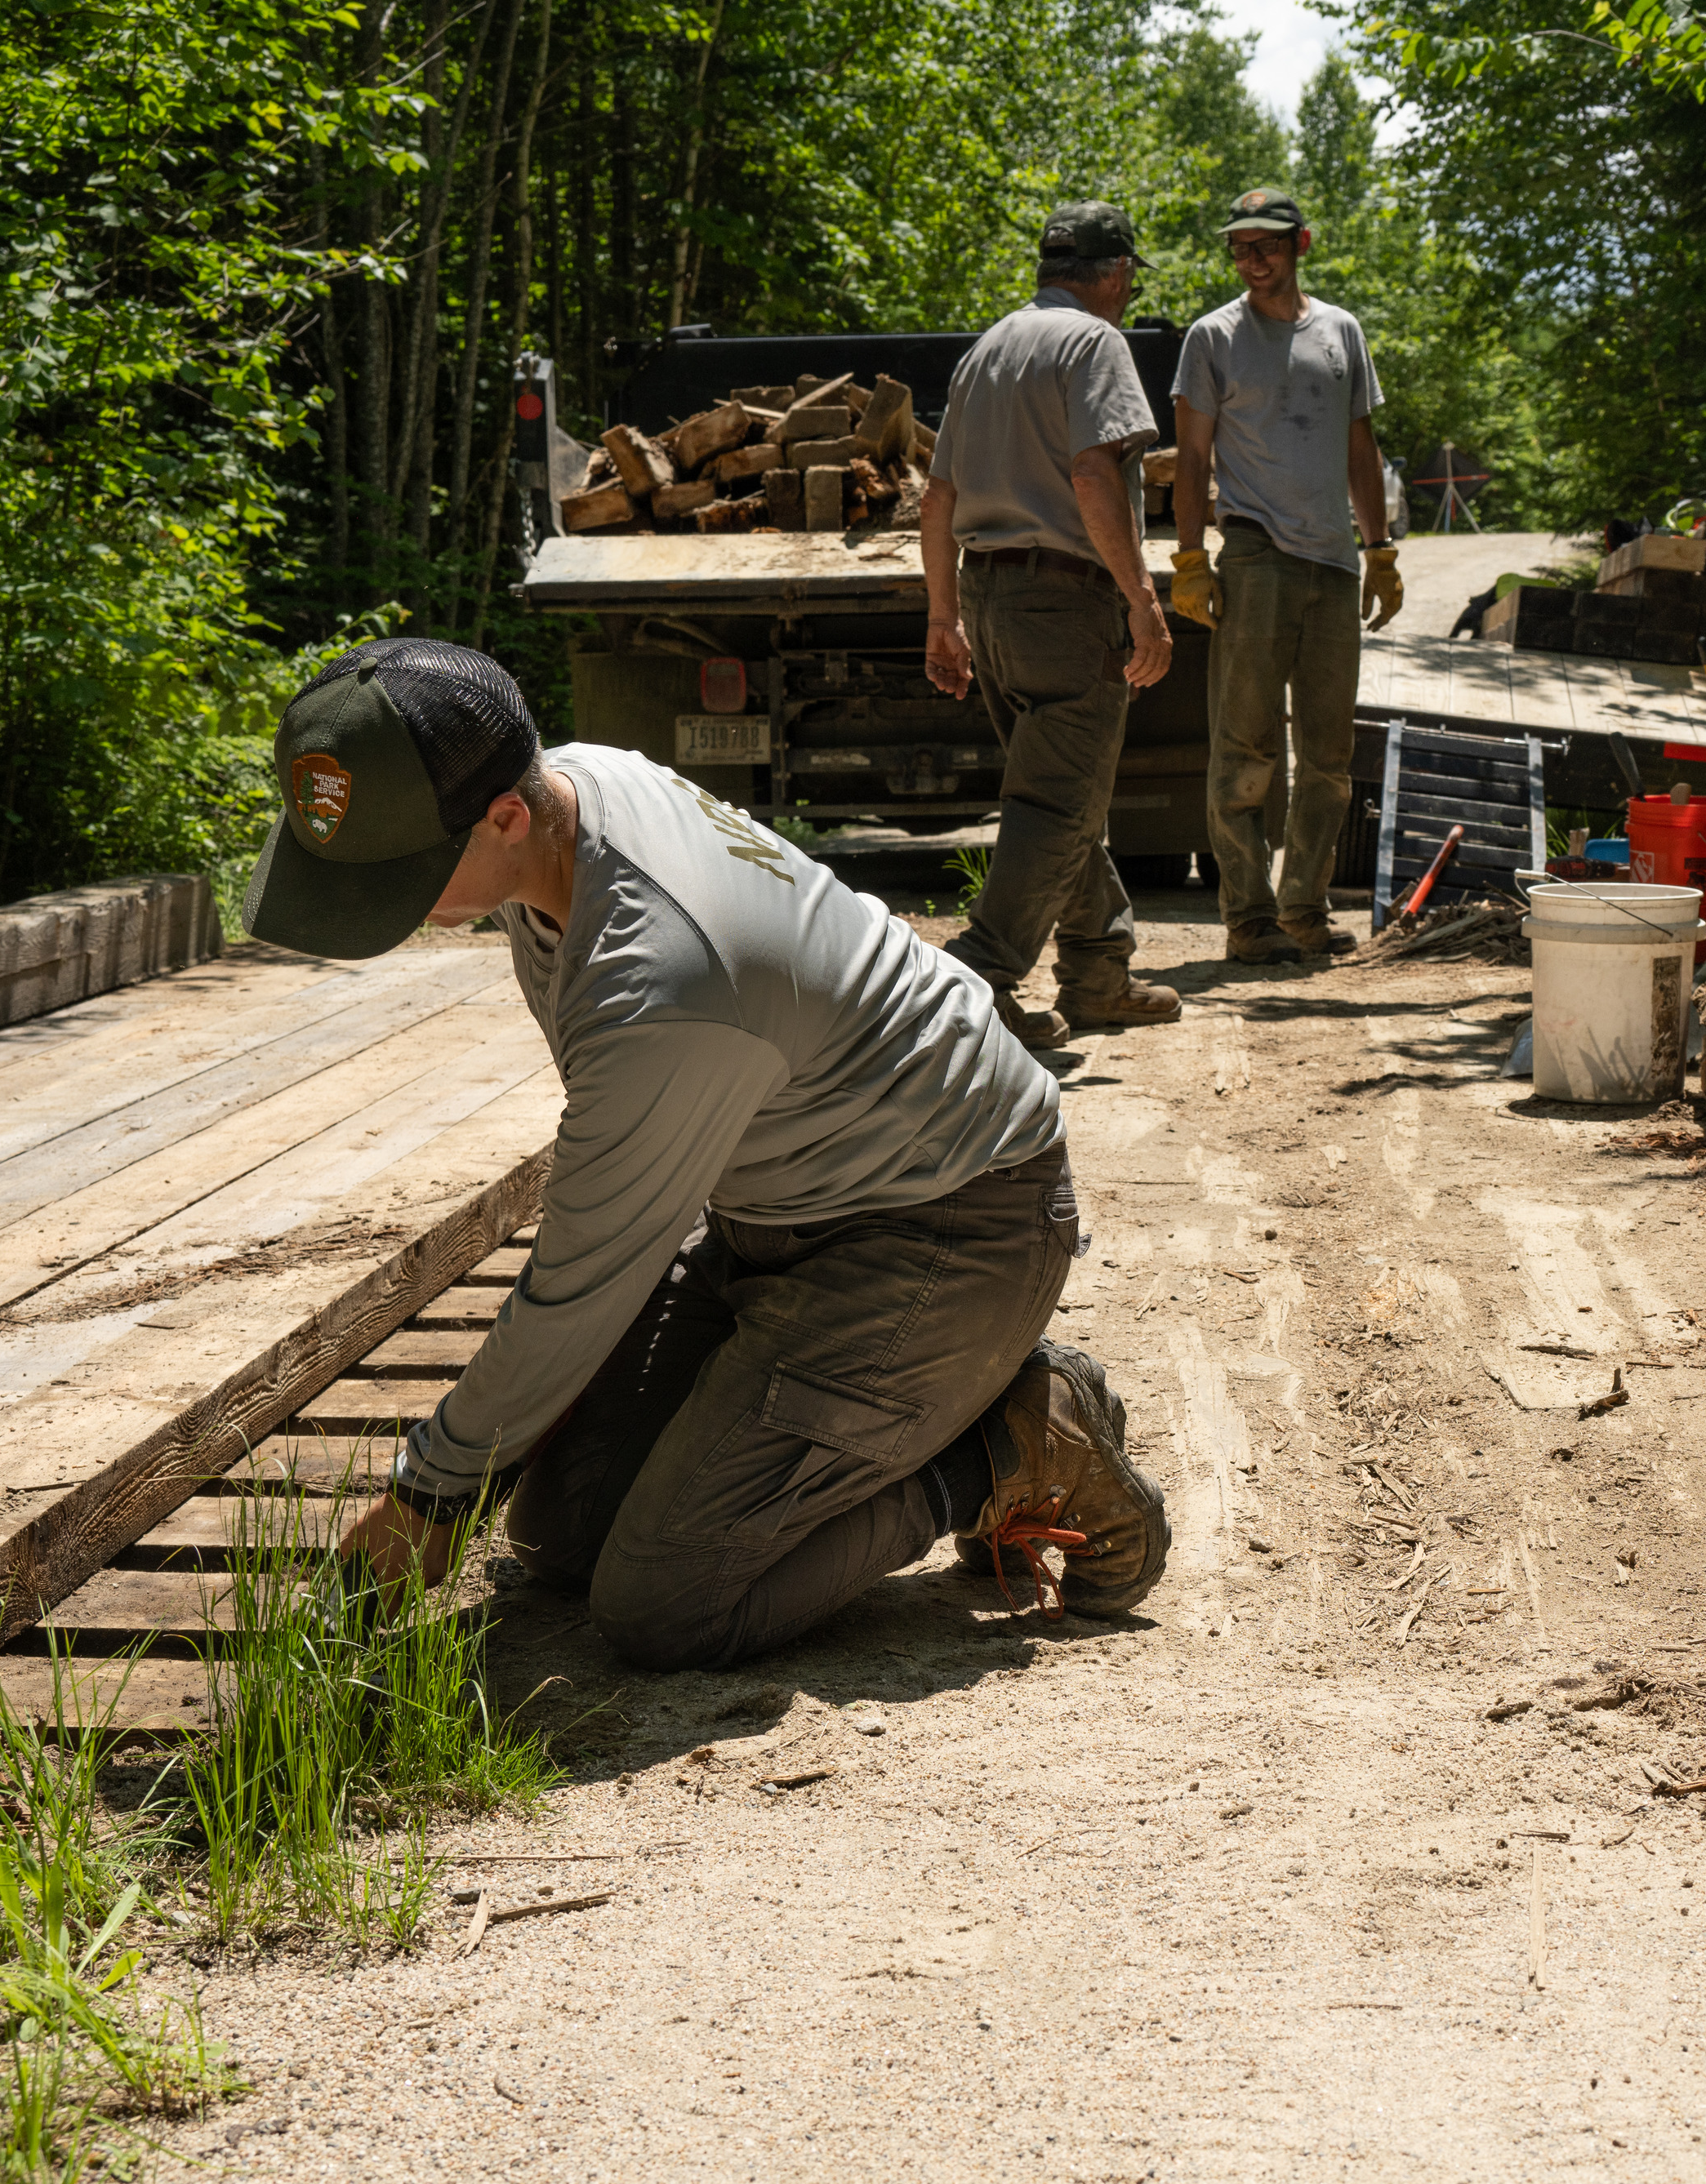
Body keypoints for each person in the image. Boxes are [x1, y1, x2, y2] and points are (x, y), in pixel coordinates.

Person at [238, 637, 1169, 1668]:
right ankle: (892, 1413)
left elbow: (579, 1286)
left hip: (952, 1225)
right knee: (564, 1538)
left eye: (402, 878)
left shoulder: (660, 978)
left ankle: (1005, 1444)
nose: (397, 911)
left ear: (506, 814)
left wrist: (428, 1493)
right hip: (783, 1206)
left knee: (666, 1602)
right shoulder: (572, 790)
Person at [921, 200, 1184, 1050]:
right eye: (1127, 277)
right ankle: (976, 976)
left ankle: (1098, 973)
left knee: (1065, 798)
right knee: (1057, 802)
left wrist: (943, 616)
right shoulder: (1095, 344)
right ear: (1113, 274)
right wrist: (1142, 598)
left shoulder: (987, 350)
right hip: (1066, 602)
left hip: (990, 598)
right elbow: (1092, 473)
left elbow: (939, 497)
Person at [1165, 188, 1403, 965]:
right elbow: (1193, 458)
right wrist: (1192, 557)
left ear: (1301, 243)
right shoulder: (1212, 337)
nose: (1251, 258)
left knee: (1329, 758)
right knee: (1247, 747)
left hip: (1333, 563)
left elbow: (1359, 448)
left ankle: (1304, 907)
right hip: (1257, 555)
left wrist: (1380, 549)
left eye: (1265, 243)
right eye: (1239, 246)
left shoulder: (1341, 331)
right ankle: (1249, 918)